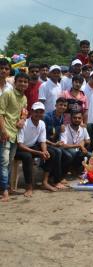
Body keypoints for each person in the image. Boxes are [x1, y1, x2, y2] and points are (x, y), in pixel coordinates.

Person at [15, 102, 61, 196]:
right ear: (31, 112)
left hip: (32, 146)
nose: (38, 114)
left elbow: (42, 141)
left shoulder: (41, 123)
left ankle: (45, 182)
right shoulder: (25, 123)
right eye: (36, 111)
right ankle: (29, 187)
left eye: (41, 112)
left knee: (51, 152)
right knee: (27, 157)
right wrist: (38, 152)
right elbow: (20, 145)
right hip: (19, 149)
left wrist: (44, 151)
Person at [0, 72, 28, 201]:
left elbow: (24, 112)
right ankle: (5, 190)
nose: (22, 84)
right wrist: (3, 131)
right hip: (5, 133)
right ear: (15, 82)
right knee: (4, 162)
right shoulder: (7, 94)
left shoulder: (24, 98)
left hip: (15, 135)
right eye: (20, 81)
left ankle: (6, 187)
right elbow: (1, 113)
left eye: (25, 82)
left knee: (9, 162)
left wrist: (22, 119)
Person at [44, 97, 69, 186]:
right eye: (60, 105)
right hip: (44, 143)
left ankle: (58, 176)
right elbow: (43, 135)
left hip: (54, 143)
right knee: (58, 152)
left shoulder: (62, 116)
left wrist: (59, 142)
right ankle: (56, 181)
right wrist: (58, 129)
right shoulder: (47, 117)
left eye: (65, 105)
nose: (62, 107)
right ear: (56, 105)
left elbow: (58, 133)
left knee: (69, 155)